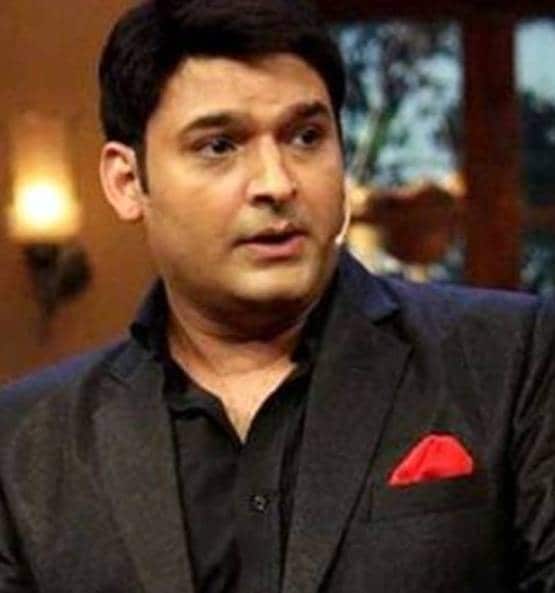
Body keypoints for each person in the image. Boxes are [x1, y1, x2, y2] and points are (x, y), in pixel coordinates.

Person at [1, 0, 555, 591]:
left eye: (306, 137)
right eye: (219, 146)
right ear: (127, 182)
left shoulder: (509, 360)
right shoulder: (26, 444)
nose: (276, 183)